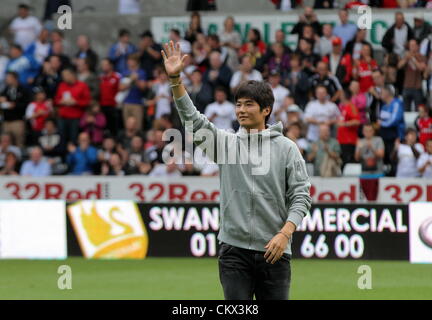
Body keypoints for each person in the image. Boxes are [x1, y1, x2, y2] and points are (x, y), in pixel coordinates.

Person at [162, 40, 311, 300]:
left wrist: (284, 233)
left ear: (266, 110)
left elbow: (301, 196)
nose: (241, 110)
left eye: (248, 104)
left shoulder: (287, 149)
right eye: (238, 104)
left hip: (275, 251)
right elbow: (193, 121)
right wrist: (176, 80)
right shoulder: (225, 143)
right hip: (234, 252)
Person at [54, 67, 91, 144]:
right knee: (62, 138)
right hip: (62, 117)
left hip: (76, 118)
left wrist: (76, 102)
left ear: (72, 75)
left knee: (73, 138)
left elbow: (87, 101)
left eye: (66, 75)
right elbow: (56, 100)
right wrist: (61, 102)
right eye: (63, 76)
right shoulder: (62, 85)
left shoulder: (82, 85)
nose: (64, 77)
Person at [0, 71, 30, 148]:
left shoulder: (23, 90)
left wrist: (15, 105)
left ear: (15, 79)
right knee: (6, 144)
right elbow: (3, 101)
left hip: (18, 121)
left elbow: (27, 104)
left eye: (9, 78)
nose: (7, 80)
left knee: (19, 143)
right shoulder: (6, 90)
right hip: (6, 121)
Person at [119, 53, 148, 131]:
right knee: (127, 127)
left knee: (138, 127)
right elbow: (121, 88)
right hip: (126, 102)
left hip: (137, 103)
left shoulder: (141, 73)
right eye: (129, 60)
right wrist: (131, 80)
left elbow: (143, 87)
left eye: (132, 60)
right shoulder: (124, 72)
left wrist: (136, 80)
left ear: (136, 62)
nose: (130, 62)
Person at [378, 86, 405, 167]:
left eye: (382, 92)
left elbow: (395, 120)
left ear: (387, 93)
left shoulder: (397, 103)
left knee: (393, 157)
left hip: (394, 135)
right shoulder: (383, 105)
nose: (380, 94)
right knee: (385, 157)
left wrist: (382, 124)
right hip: (384, 135)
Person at [397, 39, 427, 112]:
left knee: (418, 110)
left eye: (413, 45)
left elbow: (421, 68)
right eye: (410, 45)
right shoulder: (406, 56)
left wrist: (413, 59)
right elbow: (398, 66)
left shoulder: (422, 57)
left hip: (417, 87)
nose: (412, 47)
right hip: (406, 87)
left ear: (418, 47)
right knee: (405, 110)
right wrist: (406, 59)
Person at [337, 89, 361, 166]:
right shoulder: (344, 107)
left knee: (348, 162)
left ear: (344, 96)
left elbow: (357, 121)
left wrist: (345, 124)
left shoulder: (351, 107)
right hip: (342, 140)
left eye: (340, 94)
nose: (339, 96)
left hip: (349, 140)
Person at [99, 58, 121, 135]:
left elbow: (121, 90)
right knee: (104, 129)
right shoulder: (101, 78)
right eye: (102, 65)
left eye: (105, 64)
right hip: (102, 106)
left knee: (114, 129)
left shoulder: (117, 76)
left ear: (111, 65)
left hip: (113, 106)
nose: (103, 66)